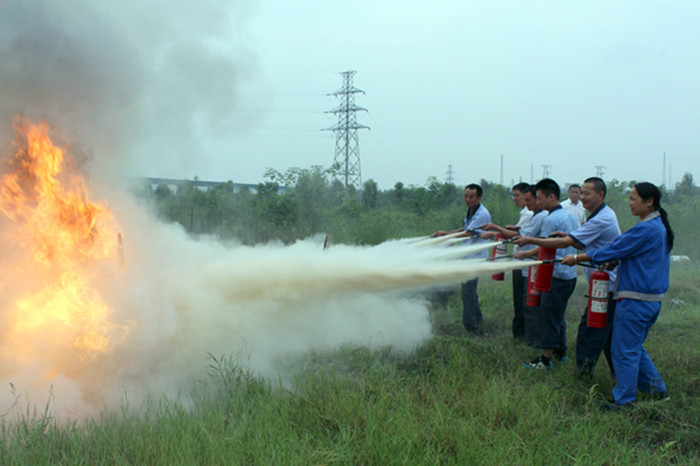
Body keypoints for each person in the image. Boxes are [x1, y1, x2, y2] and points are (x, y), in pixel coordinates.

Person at [562, 182, 673, 407]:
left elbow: (613, 248)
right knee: (634, 347)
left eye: (633, 199)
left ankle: (623, 400)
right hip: (649, 300)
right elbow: (629, 253)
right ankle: (657, 391)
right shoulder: (657, 226)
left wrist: (576, 258)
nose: (630, 203)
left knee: (623, 350)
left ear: (649, 201)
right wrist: (616, 261)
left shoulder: (645, 229)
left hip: (635, 299)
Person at [513, 177, 621, 375]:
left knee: (578, 328)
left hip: (570, 278)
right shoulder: (575, 215)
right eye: (582, 192)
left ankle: (554, 363)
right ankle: (564, 355)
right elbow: (578, 241)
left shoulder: (593, 218)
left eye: (587, 193)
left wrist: (528, 241)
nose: (582, 197)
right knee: (568, 320)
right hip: (574, 277)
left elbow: (555, 246)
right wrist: (568, 239)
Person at [513, 179, 578, 369]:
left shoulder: (550, 220)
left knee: (548, 316)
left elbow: (546, 247)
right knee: (558, 315)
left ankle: (545, 360)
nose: (538, 202)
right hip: (569, 275)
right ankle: (561, 352)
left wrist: (526, 249)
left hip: (554, 274)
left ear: (552, 196)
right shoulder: (570, 216)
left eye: (540, 198)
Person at [434, 184, 491, 334]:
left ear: (479, 198)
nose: (468, 199)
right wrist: (449, 233)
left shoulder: (482, 214)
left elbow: (468, 233)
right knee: (470, 292)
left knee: (467, 293)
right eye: (466, 196)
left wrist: (448, 236)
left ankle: (471, 327)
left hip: (475, 258)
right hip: (469, 257)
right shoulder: (471, 211)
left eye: (471, 196)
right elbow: (466, 229)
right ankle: (478, 321)